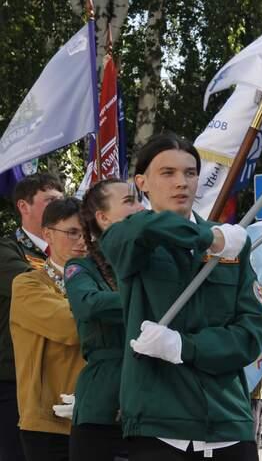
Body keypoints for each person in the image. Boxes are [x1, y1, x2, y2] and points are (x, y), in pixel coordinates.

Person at [100, 132, 262, 460]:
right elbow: (143, 228)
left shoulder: (232, 244)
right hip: (160, 427)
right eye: (168, 173)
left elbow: (251, 334)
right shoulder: (128, 238)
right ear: (142, 183)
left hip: (227, 423)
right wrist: (209, 238)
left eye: (190, 173)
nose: (182, 182)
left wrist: (185, 346)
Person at [63, 179, 144, 460]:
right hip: (103, 402)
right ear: (103, 217)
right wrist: (147, 299)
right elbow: (88, 305)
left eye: (138, 200)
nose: (140, 207)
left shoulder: (152, 262)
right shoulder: (81, 267)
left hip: (154, 400)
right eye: (129, 201)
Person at [10, 197, 87, 460]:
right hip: (49, 421)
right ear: (47, 234)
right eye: (73, 232)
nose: (83, 240)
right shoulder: (28, 285)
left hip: (103, 416)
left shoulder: (109, 282)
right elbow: (72, 328)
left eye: (89, 232)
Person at [0, 172, 63, 460]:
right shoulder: (7, 251)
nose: (59, 207)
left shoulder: (72, 251)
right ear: (24, 207)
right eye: (50, 200)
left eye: (62, 201)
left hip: (59, 378)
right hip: (15, 379)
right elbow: (36, 292)